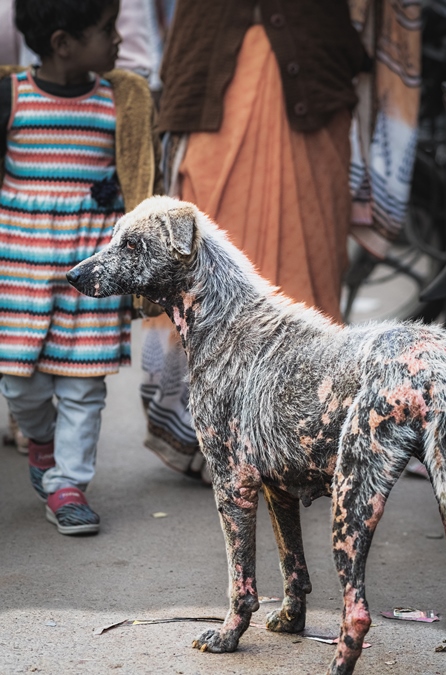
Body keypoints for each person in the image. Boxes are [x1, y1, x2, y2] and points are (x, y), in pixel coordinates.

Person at [139, 0, 365, 483]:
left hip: (312, 74)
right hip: (210, 78)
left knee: (308, 251)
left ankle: (300, 437)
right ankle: (214, 436)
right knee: (207, 251)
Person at [0, 0, 162, 535]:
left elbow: (136, 172)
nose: (118, 40)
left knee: (84, 386)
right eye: (105, 31)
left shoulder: (118, 99)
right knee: (19, 385)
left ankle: (69, 484)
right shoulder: (12, 96)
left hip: (90, 273)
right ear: (64, 42)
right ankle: (42, 445)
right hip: (18, 269)